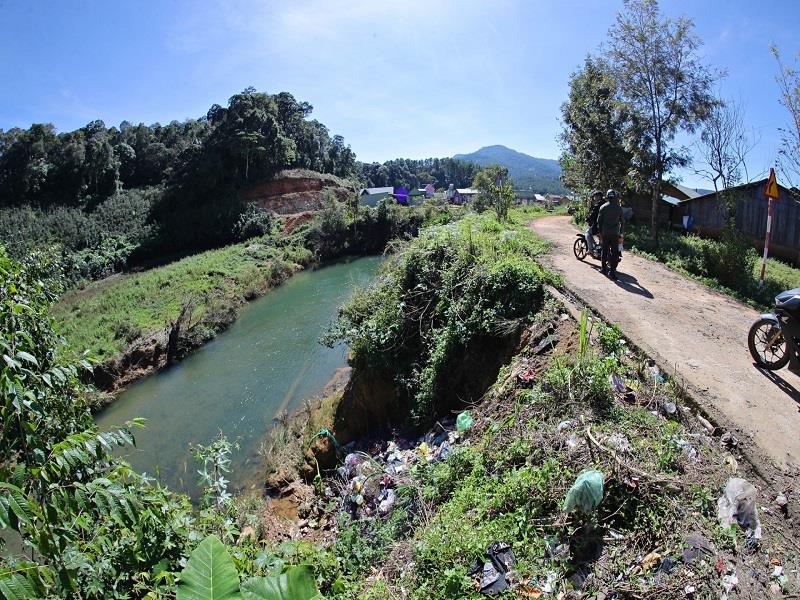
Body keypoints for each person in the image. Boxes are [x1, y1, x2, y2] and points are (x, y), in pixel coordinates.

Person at [596, 189, 624, 280]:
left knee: (604, 251)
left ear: (607, 197)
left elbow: (599, 222)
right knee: (615, 253)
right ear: (615, 197)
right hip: (615, 234)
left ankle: (603, 269)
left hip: (605, 233)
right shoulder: (619, 208)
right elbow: (623, 222)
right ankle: (612, 272)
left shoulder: (603, 207)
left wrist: (600, 232)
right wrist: (621, 234)